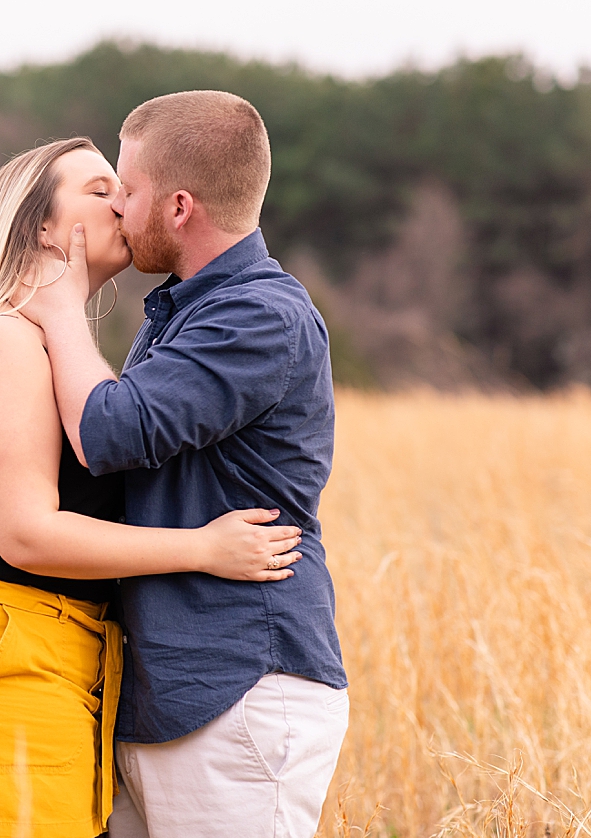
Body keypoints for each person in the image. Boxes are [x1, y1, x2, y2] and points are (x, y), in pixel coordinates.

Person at [0, 136, 306, 838]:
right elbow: (26, 533)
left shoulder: (56, 350)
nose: (119, 201)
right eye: (96, 188)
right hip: (1, 654)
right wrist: (200, 550)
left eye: (121, 187)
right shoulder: (3, 342)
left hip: (57, 659)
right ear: (41, 227)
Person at [20, 92, 349, 838]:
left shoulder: (259, 316)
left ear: (176, 208)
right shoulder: (187, 312)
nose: (116, 212)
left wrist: (61, 309)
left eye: (125, 193)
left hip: (237, 681)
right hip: (170, 689)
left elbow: (108, 431)